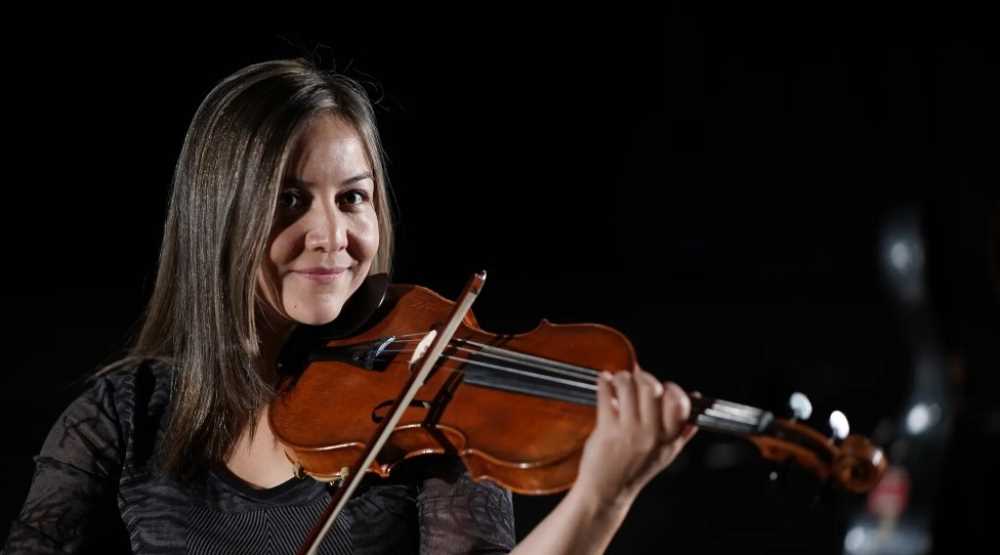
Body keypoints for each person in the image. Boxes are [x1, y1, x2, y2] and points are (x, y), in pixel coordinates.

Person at [3, 58, 697, 554]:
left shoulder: (428, 413)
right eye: (291, 199)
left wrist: (599, 499)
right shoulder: (121, 417)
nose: (332, 237)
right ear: (219, 215)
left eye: (353, 197)